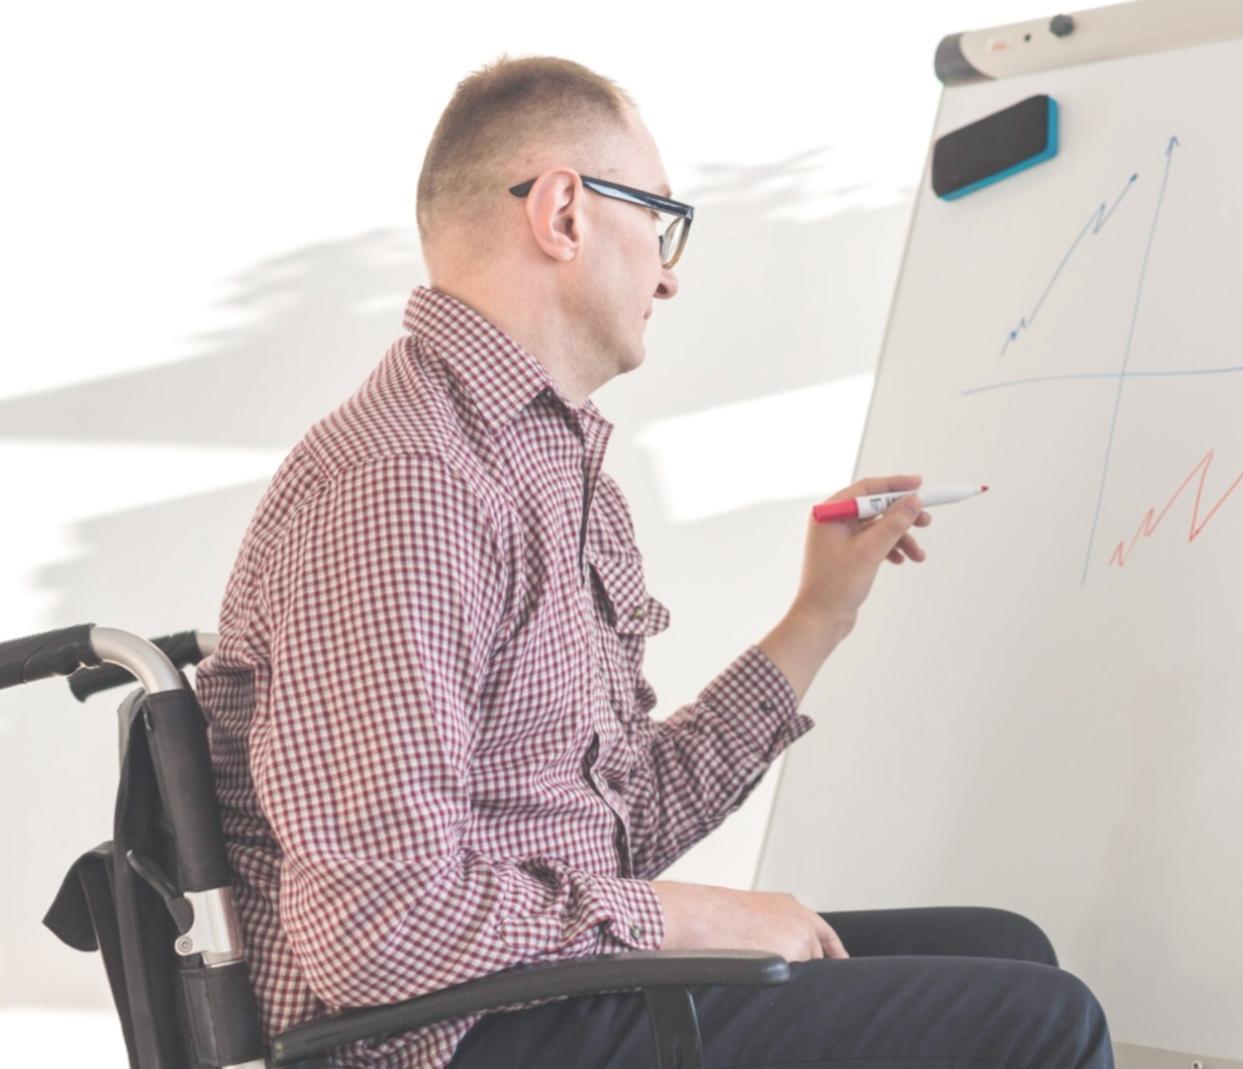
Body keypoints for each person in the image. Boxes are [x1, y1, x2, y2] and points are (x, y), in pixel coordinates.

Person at [196, 55, 1112, 1068]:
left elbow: (610, 834)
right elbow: (376, 930)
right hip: (449, 1039)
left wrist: (819, 616)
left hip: (536, 994)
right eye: (661, 222)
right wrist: (686, 919)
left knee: (1005, 952)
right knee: (1040, 1023)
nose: (671, 273)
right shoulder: (405, 485)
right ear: (563, 214)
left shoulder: (536, 465)